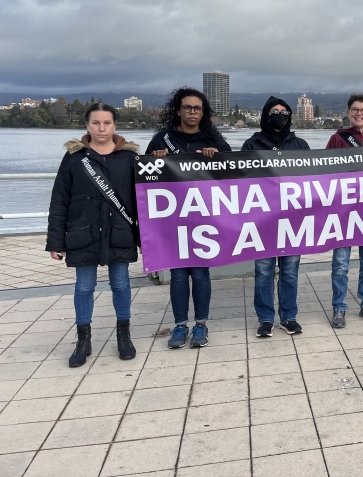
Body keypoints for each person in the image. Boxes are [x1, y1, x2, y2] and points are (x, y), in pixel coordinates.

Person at [46, 103, 140, 367]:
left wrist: (146, 238)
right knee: (84, 287)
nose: (101, 128)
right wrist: (55, 241)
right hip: (83, 234)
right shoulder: (74, 158)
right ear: (87, 125)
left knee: (121, 285)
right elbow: (59, 200)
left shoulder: (129, 158)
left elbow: (143, 201)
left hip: (119, 232)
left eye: (107, 123)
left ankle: (124, 336)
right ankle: (83, 340)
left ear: (115, 125)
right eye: (96, 123)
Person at [146, 87, 231, 349]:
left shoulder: (213, 138)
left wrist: (217, 157)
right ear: (178, 110)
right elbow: (144, 176)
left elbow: (233, 172)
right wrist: (155, 159)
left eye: (197, 108)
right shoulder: (162, 139)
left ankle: (201, 324)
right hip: (172, 220)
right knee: (179, 275)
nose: (192, 111)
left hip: (203, 218)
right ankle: (180, 325)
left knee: (201, 273)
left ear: (203, 112)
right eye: (187, 107)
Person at [242, 96, 310, 337]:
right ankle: (265, 319)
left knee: (290, 271)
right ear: (265, 115)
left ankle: (289, 316)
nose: (279, 115)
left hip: (293, 221)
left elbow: (314, 180)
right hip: (262, 221)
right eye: (274, 111)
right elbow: (239, 182)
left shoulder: (300, 145)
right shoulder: (252, 145)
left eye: (284, 112)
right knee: (263, 272)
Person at [325, 93, 363, 328]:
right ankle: (339, 308)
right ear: (348, 112)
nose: (359, 113)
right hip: (342, 213)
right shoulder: (337, 139)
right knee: (340, 264)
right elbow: (324, 174)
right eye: (355, 109)